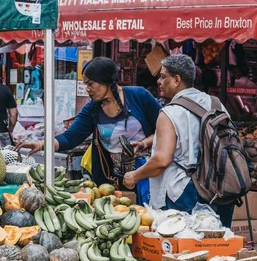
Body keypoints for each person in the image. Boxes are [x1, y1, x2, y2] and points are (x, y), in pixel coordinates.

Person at [15, 57, 162, 204]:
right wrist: (41, 144)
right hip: (113, 183)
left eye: (90, 84)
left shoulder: (139, 96)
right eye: (86, 84)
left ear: (106, 81)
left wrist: (143, 144)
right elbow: (70, 137)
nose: (87, 89)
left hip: (148, 176)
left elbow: (165, 132)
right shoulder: (93, 108)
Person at [123, 54, 235, 227]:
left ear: (176, 80)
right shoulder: (215, 104)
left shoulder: (170, 112)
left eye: (162, 76)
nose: (159, 81)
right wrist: (147, 142)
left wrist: (135, 176)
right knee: (216, 245)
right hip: (219, 187)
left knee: (184, 249)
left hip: (184, 192)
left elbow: (161, 160)